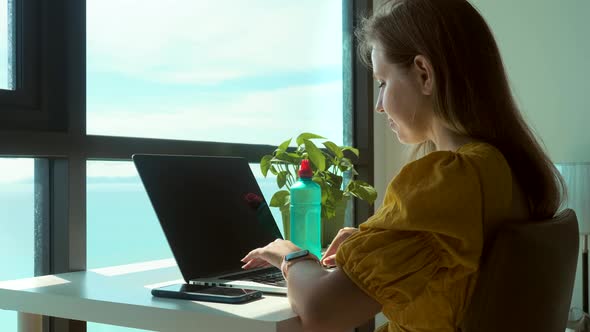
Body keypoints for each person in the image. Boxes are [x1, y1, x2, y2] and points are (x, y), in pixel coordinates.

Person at [241, 0, 566, 331]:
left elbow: (322, 312)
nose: (379, 106)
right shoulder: (503, 169)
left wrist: (290, 255)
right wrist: (379, 247)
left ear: (424, 74)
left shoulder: (452, 178)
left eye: (383, 82)